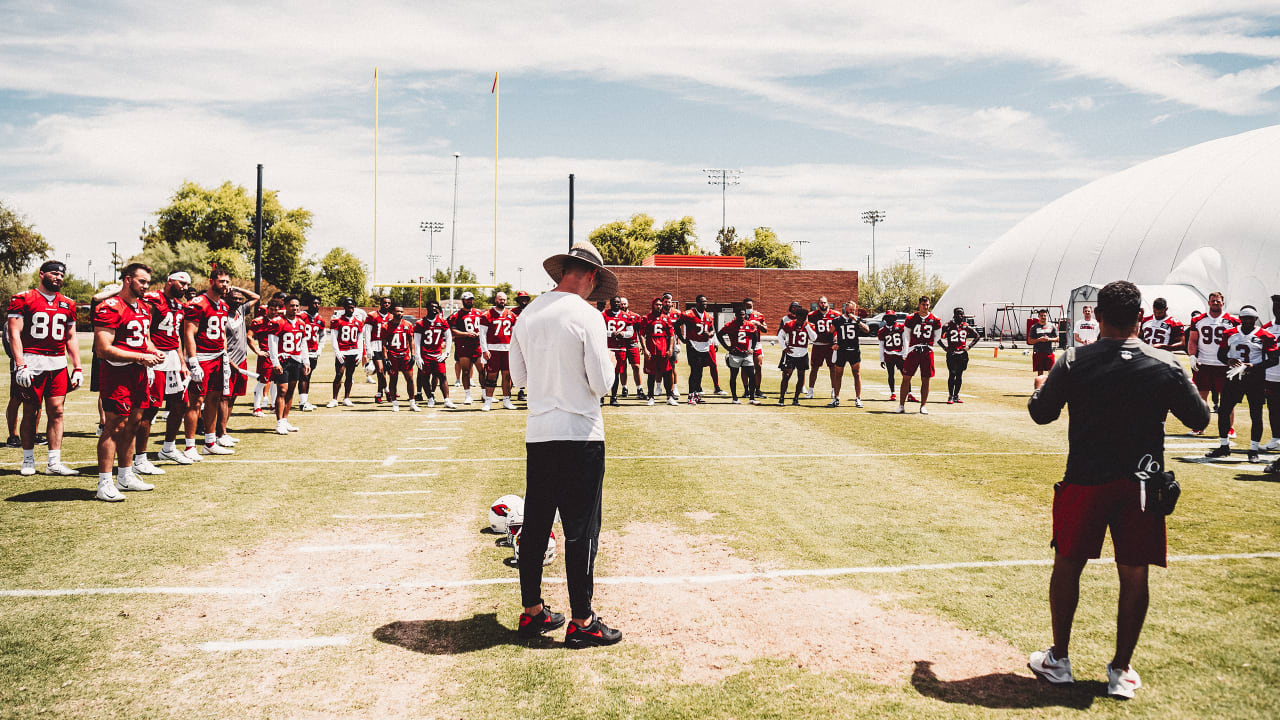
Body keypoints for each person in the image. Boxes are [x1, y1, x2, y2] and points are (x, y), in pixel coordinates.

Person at [1026, 280, 1209, 699]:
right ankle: (1121, 670)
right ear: (1141, 317)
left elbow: (1042, 415)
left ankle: (1059, 659)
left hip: (1086, 478)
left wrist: (1037, 393)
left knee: (1068, 565)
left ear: (1099, 316)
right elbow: (1199, 419)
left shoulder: (1073, 360)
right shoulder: (1163, 364)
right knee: (1134, 572)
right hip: (1141, 483)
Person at [509, 240, 621, 648]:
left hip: (539, 433)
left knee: (537, 526)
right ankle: (582, 619)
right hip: (580, 434)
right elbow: (602, 383)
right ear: (590, 276)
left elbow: (518, 377)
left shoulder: (528, 312)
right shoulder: (587, 315)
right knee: (582, 529)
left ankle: (532, 611)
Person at [93, 263, 165, 501]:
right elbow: (103, 349)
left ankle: (125, 475)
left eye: (147, 282)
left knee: (134, 424)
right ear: (127, 280)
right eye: (142, 281)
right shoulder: (110, 307)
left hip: (139, 372)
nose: (146, 286)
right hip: (117, 373)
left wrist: (154, 352)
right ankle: (104, 482)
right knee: (114, 427)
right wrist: (141, 356)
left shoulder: (144, 307)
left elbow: (144, 339)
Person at [6, 260, 82, 476]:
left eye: (61, 275)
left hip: (57, 363)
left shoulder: (68, 303)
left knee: (57, 411)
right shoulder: (23, 298)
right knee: (31, 411)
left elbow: (71, 337)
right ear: (42, 275)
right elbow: (14, 334)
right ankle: (28, 459)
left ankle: (53, 462)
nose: (58, 277)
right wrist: (20, 364)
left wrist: (77, 367)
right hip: (32, 361)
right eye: (54, 273)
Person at [1203, 306, 1277, 464]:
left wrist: (1254, 367)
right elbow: (1221, 354)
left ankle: (1253, 449)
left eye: (1251, 319)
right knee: (1224, 411)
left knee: (1255, 414)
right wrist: (1228, 360)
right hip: (1234, 377)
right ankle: (1224, 446)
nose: (1248, 321)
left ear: (1256, 319)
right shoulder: (1229, 333)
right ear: (1240, 319)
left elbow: (1274, 359)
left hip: (1255, 379)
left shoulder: (1265, 335)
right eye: (1245, 318)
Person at [138, 271, 193, 470]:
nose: (185, 287)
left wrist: (182, 362)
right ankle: (140, 458)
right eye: (182, 283)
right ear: (170, 281)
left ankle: (168, 448)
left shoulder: (179, 305)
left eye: (187, 285)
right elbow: (144, 330)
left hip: (172, 357)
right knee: (150, 408)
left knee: (181, 403)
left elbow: (176, 337)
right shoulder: (154, 299)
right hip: (156, 356)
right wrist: (151, 352)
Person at [183, 267, 232, 459]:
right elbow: (189, 333)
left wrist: (225, 355)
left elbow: (222, 335)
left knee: (214, 399)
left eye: (227, 281)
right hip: (202, 357)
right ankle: (189, 446)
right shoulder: (198, 303)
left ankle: (210, 442)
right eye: (221, 281)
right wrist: (193, 360)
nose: (225, 285)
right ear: (211, 281)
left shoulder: (223, 305)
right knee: (195, 402)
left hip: (218, 357)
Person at [1186, 293, 1239, 437]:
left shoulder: (1233, 320)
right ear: (1208, 303)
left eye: (1218, 301)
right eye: (1213, 301)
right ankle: (1199, 426)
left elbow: (1238, 342)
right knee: (1201, 397)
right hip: (1204, 362)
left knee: (1227, 398)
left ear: (1223, 303)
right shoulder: (1198, 319)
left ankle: (1229, 428)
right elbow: (1192, 340)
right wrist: (1192, 355)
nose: (1215, 303)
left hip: (1224, 364)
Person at [217, 286, 259, 447]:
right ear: (226, 297)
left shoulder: (241, 309)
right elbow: (221, 342)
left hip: (241, 359)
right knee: (224, 397)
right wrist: (229, 362)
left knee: (233, 397)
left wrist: (237, 289)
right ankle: (219, 433)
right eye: (234, 298)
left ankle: (223, 430)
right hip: (227, 360)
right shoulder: (221, 313)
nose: (237, 301)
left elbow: (255, 296)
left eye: (240, 299)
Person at [269, 295, 309, 434]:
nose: (295, 308)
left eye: (297, 306)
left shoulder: (301, 323)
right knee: (282, 390)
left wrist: (306, 361)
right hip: (283, 359)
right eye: (292, 305)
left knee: (291, 392)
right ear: (285, 306)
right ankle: (279, 422)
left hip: (296, 359)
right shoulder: (278, 322)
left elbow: (303, 343)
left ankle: (285, 420)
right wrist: (275, 362)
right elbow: (272, 343)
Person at [899, 296, 942, 414]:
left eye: (927, 305)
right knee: (906, 378)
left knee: (926, 379)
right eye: (924, 304)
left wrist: (930, 345)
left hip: (927, 351)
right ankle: (901, 405)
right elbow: (906, 335)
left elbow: (937, 335)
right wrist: (906, 350)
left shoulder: (935, 319)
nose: (926, 307)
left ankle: (923, 405)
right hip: (914, 350)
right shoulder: (911, 318)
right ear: (919, 305)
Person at [413, 299, 455, 409]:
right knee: (424, 377)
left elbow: (449, 337)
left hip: (437, 354)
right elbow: (417, 341)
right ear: (427, 308)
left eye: (436, 307)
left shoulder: (442, 322)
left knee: (443, 376)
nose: (434, 309)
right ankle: (430, 398)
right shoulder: (420, 323)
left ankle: (446, 399)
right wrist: (418, 356)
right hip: (425, 354)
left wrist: (446, 352)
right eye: (432, 307)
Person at [479, 292, 516, 411]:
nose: (502, 301)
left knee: (507, 376)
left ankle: (506, 400)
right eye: (500, 299)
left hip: (507, 349)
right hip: (493, 349)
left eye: (504, 299)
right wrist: (485, 350)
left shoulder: (511, 315)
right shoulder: (487, 315)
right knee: (491, 376)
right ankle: (488, 401)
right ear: (495, 300)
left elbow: (515, 334)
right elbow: (482, 334)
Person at [829, 301, 870, 408]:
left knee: (856, 374)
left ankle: (858, 398)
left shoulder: (857, 320)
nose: (852, 311)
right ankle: (836, 398)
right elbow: (830, 332)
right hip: (842, 350)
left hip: (854, 350)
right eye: (850, 309)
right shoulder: (838, 320)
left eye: (853, 310)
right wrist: (833, 344)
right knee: (838, 375)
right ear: (845, 309)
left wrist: (856, 320)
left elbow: (867, 330)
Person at [716, 307, 760, 405]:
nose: (741, 316)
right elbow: (719, 335)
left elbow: (755, 335)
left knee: (752, 376)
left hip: (746, 354)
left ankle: (752, 398)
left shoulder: (749, 325)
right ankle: (735, 398)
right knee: (733, 376)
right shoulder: (730, 325)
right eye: (739, 315)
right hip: (735, 354)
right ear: (735, 315)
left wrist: (752, 347)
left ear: (745, 315)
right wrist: (727, 347)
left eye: (743, 314)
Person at [776, 301, 817, 406]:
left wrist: (807, 326)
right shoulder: (789, 324)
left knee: (801, 376)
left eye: (803, 318)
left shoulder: (809, 326)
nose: (800, 321)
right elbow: (780, 335)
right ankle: (781, 398)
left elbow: (814, 338)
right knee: (786, 375)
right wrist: (784, 347)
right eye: (799, 318)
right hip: (791, 353)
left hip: (803, 354)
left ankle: (796, 398)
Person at [380, 303, 418, 412]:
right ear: (392, 312)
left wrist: (413, 355)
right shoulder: (386, 326)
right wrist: (386, 358)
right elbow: (383, 344)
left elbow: (411, 341)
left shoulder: (408, 324)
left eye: (401, 311)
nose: (400, 313)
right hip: (393, 356)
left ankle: (412, 403)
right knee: (393, 379)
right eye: (397, 311)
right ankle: (395, 403)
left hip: (405, 355)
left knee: (410, 379)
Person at [640, 298, 677, 406]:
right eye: (657, 304)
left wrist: (670, 348)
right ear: (653, 305)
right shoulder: (646, 318)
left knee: (667, 373)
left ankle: (669, 396)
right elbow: (642, 334)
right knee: (651, 374)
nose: (659, 306)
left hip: (664, 350)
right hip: (652, 350)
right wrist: (645, 349)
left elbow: (671, 335)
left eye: (660, 305)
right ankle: (651, 396)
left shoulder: (666, 318)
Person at [449, 292, 484, 404]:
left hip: (477, 345)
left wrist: (481, 334)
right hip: (463, 345)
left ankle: (485, 394)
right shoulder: (457, 315)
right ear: (463, 301)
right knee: (465, 371)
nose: (470, 301)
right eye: (467, 299)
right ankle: (468, 395)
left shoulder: (479, 313)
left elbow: (485, 327)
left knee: (482, 370)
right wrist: (466, 334)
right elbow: (452, 330)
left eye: (471, 299)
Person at [680, 295, 716, 405]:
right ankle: (691, 395)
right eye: (702, 302)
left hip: (704, 346)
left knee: (700, 372)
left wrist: (710, 334)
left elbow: (712, 329)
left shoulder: (708, 316)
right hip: (693, 345)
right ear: (697, 303)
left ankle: (697, 395)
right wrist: (682, 338)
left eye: (705, 302)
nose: (704, 304)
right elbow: (677, 325)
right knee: (694, 370)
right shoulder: (688, 314)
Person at [327, 298, 363, 407]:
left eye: (352, 307)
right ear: (344, 308)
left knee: (350, 375)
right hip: (342, 351)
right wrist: (337, 352)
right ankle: (334, 399)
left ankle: (346, 398)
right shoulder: (337, 321)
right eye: (348, 307)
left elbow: (360, 338)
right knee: (339, 374)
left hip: (353, 350)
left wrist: (360, 352)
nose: (351, 309)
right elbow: (333, 337)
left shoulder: (358, 321)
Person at [249, 300, 281, 417]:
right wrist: (257, 351)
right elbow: (249, 336)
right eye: (272, 309)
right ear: (268, 309)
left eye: (276, 309)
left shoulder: (280, 321)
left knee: (275, 381)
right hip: (266, 355)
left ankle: (273, 405)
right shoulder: (259, 321)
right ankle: (256, 408)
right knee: (263, 381)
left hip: (277, 356)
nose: (273, 312)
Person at [939, 307, 977, 405]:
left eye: (962, 314)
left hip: (962, 353)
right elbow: (937, 337)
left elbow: (977, 336)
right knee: (952, 374)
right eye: (958, 314)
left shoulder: (965, 326)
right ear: (954, 314)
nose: (960, 316)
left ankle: (956, 395)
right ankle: (950, 395)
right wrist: (944, 347)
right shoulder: (948, 325)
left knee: (959, 375)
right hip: (952, 353)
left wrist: (969, 346)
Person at [806, 297, 840, 399]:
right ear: (818, 304)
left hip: (831, 346)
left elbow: (841, 327)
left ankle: (834, 390)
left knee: (833, 368)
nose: (823, 305)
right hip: (818, 345)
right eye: (821, 303)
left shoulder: (836, 315)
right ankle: (810, 390)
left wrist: (837, 337)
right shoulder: (812, 315)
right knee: (814, 368)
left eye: (825, 303)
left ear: (828, 303)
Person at [297, 295, 324, 411]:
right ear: (309, 304)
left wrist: (320, 349)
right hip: (302, 351)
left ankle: (304, 401)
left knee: (308, 376)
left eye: (318, 303)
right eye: (314, 303)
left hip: (313, 351)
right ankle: (303, 403)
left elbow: (322, 335)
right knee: (304, 375)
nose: (316, 305)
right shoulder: (301, 316)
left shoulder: (320, 319)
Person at [1264, 294, 1280, 456]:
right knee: (1273, 409)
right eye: (1275, 307)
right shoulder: (1267, 328)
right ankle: (1276, 439)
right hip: (1271, 376)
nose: (1278, 310)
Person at [877, 311, 905, 401]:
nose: (890, 319)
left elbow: (905, 341)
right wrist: (881, 359)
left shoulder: (900, 327)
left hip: (900, 354)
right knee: (891, 374)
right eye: (888, 318)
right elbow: (881, 346)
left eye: (892, 317)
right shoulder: (882, 331)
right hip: (889, 354)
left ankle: (909, 393)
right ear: (885, 319)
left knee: (905, 375)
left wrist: (905, 353)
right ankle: (893, 393)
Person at [743, 298, 767, 399]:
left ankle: (757, 389)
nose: (749, 308)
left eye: (750, 306)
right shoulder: (740, 315)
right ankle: (746, 390)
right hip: (744, 343)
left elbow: (765, 329)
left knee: (758, 365)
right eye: (747, 306)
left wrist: (759, 324)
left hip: (756, 343)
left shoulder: (759, 315)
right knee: (745, 368)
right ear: (743, 306)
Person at [1028, 309, 1059, 387]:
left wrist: (1049, 339)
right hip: (1038, 352)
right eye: (1041, 316)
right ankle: (1039, 389)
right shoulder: (1034, 327)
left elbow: (1058, 338)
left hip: (1049, 351)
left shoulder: (1052, 326)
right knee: (1040, 372)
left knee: (1051, 371)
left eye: (1044, 315)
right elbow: (1030, 341)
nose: (1043, 317)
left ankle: (1050, 388)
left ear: (1047, 316)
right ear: (1038, 317)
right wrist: (1039, 340)